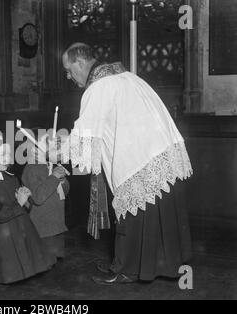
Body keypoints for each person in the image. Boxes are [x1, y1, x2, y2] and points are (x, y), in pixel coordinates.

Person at [57, 43, 193, 284]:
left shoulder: (98, 87)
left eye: (68, 69)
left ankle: (127, 269)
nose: (69, 76)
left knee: (136, 209)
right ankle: (159, 266)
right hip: (162, 154)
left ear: (80, 62)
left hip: (139, 161)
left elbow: (85, 138)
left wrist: (59, 150)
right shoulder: (128, 76)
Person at [0, 142, 56, 284]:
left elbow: (23, 205)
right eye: (2, 154)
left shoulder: (9, 176)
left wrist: (25, 199)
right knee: (12, 272)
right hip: (5, 233)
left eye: (9, 153)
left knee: (26, 270)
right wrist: (19, 202)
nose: (7, 157)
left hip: (20, 227)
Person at [22, 130, 69, 259]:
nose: (52, 146)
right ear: (33, 149)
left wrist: (62, 181)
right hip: (43, 228)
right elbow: (38, 197)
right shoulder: (32, 169)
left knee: (57, 263)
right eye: (46, 142)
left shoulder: (48, 165)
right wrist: (54, 177)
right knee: (47, 263)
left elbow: (63, 193)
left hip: (56, 224)